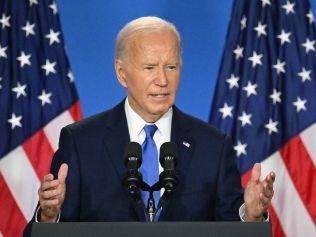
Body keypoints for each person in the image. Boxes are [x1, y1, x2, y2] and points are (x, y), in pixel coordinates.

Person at [24, 16, 275, 235]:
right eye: (150, 68)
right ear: (121, 73)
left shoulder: (213, 146)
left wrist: (250, 216)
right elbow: (41, 233)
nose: (163, 80)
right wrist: (48, 217)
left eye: (171, 67)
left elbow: (230, 230)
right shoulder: (80, 142)